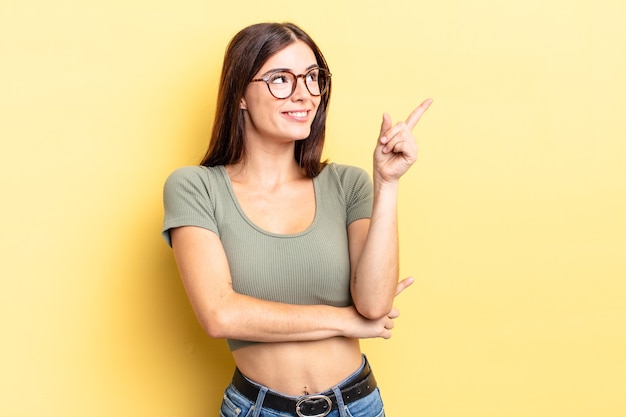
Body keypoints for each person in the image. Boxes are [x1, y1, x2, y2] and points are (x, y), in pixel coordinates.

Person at [162, 22, 432, 417]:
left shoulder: (346, 184)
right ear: (239, 93)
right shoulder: (195, 188)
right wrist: (345, 322)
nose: (304, 94)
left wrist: (387, 183)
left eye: (311, 77)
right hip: (257, 409)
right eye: (281, 80)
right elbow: (220, 315)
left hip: (356, 406)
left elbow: (374, 305)